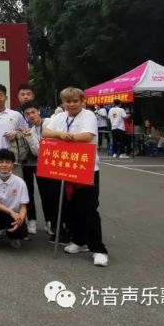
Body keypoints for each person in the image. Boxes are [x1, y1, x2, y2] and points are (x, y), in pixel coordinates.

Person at [42, 87, 109, 267]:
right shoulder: (59, 116)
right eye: (67, 101)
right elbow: (46, 133)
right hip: (64, 168)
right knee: (68, 208)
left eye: (75, 101)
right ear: (63, 103)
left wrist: (67, 137)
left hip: (85, 168)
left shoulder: (89, 115)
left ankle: (98, 249)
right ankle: (78, 240)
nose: (71, 104)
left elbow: (87, 136)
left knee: (88, 209)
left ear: (82, 101)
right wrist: (59, 134)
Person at [21, 102, 62, 239]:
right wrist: (29, 137)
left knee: (53, 196)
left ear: (38, 111)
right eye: (27, 114)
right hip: (44, 164)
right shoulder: (31, 131)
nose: (31, 116)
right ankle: (51, 224)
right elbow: (38, 152)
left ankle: (54, 224)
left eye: (33, 112)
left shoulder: (50, 122)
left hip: (57, 165)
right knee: (45, 194)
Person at [0, 148, 29, 251]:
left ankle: (11, 236)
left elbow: (23, 206)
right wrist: (10, 211)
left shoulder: (20, 182)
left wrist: (20, 219)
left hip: (13, 216)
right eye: (0, 162)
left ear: (12, 165)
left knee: (23, 232)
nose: (4, 165)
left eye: (8, 162)